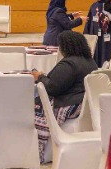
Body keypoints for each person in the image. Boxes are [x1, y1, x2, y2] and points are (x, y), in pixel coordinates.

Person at [32, 30, 96, 161]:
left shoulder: (69, 64)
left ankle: (34, 150)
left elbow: (52, 88)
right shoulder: (90, 62)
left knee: (31, 107)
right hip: (85, 104)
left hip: (69, 104)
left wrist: (40, 77)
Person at [85, 0, 111, 66]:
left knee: (105, 52)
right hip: (95, 34)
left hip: (106, 35)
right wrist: (86, 34)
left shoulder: (109, 5)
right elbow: (89, 20)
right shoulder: (93, 6)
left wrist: (109, 20)